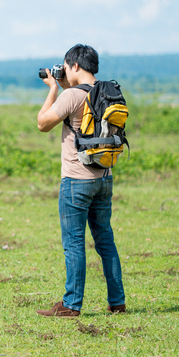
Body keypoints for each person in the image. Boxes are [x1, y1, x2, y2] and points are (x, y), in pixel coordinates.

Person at [34, 44, 126, 317]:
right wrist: (64, 87)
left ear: (74, 66)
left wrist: (53, 88)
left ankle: (71, 304)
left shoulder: (71, 95)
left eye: (66, 65)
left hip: (76, 179)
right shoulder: (111, 91)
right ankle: (117, 302)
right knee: (105, 240)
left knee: (74, 241)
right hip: (104, 177)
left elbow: (43, 123)